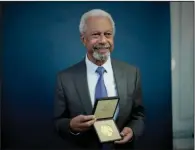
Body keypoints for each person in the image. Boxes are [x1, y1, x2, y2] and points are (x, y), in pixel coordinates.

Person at [54, 9, 145, 150]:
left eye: (108, 34)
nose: (103, 40)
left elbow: (138, 115)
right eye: (96, 34)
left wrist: (132, 131)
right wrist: (71, 126)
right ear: (83, 39)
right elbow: (58, 122)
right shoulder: (65, 78)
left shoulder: (132, 73)